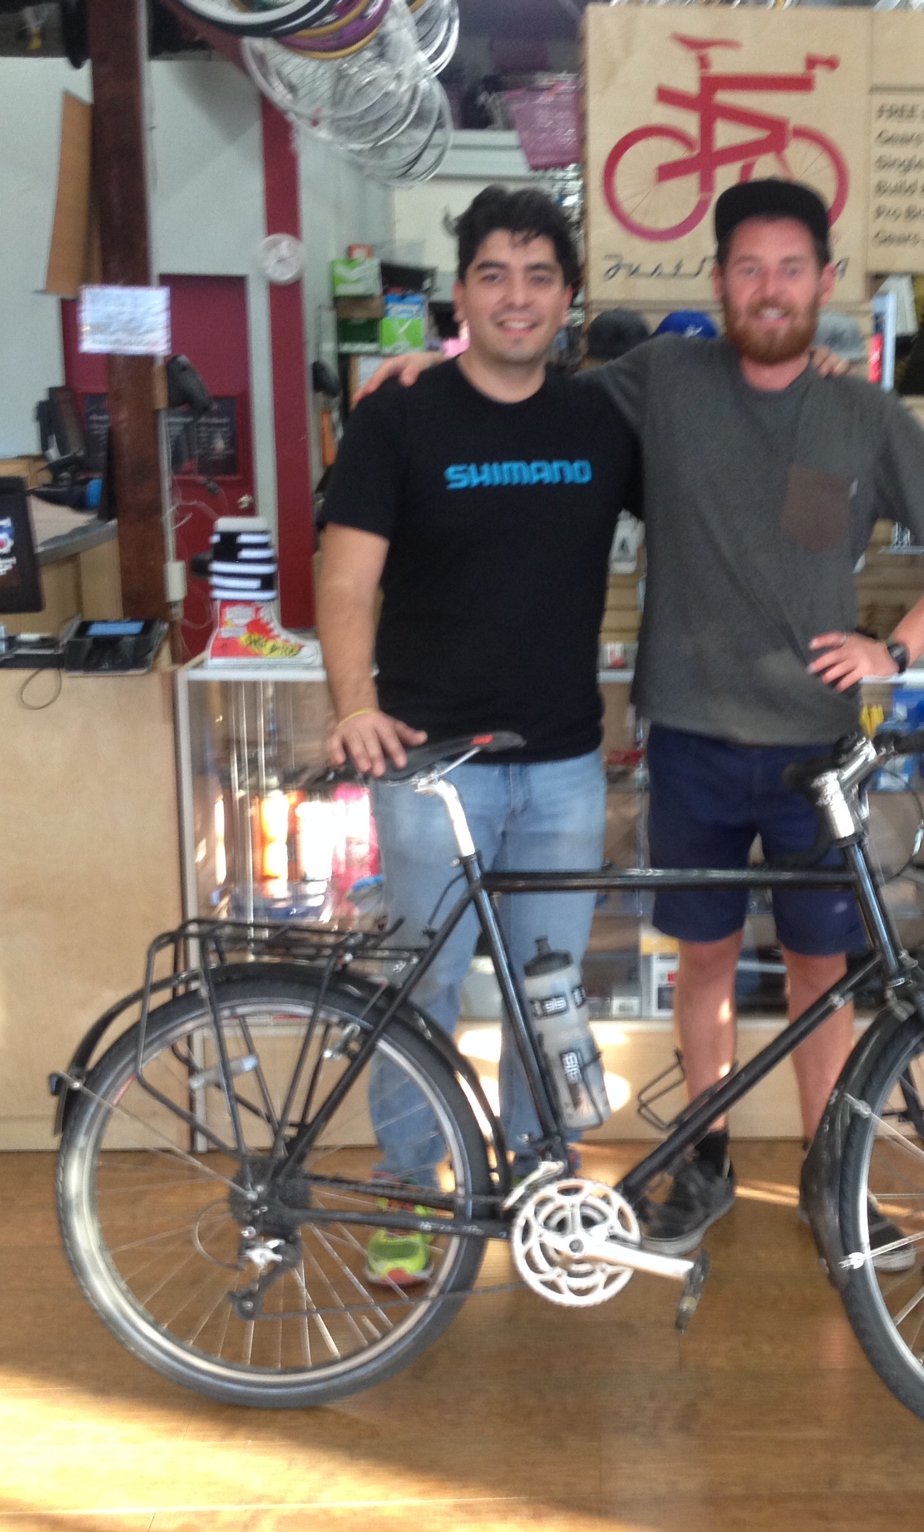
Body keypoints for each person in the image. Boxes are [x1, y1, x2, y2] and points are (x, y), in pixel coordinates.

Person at [361, 180, 924, 1258]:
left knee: (820, 975)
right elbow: (524, 383)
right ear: (718, 282)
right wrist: (429, 366)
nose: (769, 288)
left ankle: (829, 1172)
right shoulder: (664, 379)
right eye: (748, 268)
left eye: (789, 268)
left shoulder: (859, 412)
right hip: (693, 741)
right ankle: (704, 1158)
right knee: (703, 965)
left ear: (824, 281)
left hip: (818, 752)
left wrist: (896, 650)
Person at [314, 186, 639, 1285]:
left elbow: (715, 447)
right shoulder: (400, 415)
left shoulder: (600, 421)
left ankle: (543, 1185)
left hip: (563, 762)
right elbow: (344, 580)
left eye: (539, 276)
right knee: (421, 986)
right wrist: (353, 703)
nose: (516, 296)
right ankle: (411, 1190)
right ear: (460, 294)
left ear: (568, 297)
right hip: (428, 763)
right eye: (493, 274)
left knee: (551, 991)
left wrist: (818, 373)